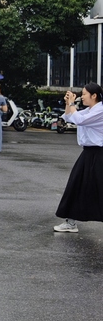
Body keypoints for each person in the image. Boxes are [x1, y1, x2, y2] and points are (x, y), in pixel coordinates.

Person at [53, 82, 103, 233]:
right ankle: (70, 222)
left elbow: (79, 120)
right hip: (88, 153)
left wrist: (72, 103)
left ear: (94, 96)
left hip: (100, 154)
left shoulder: (100, 110)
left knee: (99, 188)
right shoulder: (89, 110)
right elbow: (69, 117)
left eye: (84, 94)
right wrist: (69, 102)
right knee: (76, 184)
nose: (82, 97)